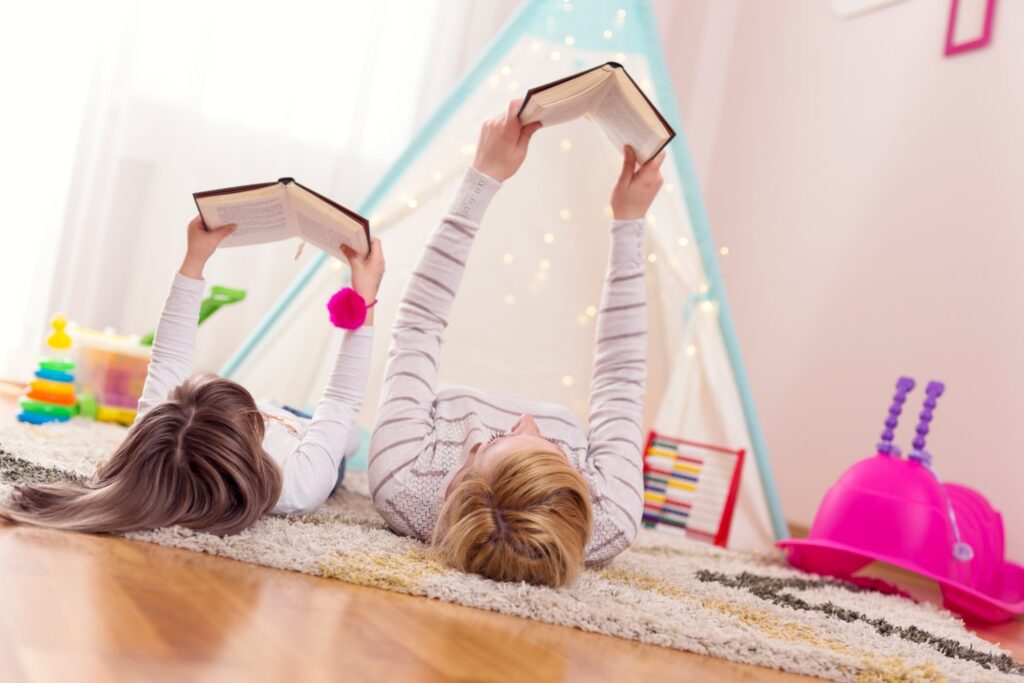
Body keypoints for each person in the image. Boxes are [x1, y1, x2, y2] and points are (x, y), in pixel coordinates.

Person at [368, 100, 664, 587]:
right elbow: (621, 379)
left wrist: (482, 176)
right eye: (551, 446)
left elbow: (419, 326)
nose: (525, 420)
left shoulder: (403, 481)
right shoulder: (608, 518)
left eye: (495, 438)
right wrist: (630, 220)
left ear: (456, 484)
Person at [1, 218, 384, 534]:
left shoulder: (161, 432)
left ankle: (274, 411)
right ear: (249, 430)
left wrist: (195, 260)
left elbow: (168, 356)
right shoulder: (299, 485)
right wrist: (365, 297)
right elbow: (340, 402)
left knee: (289, 410)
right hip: (304, 430)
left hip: (270, 415)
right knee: (348, 436)